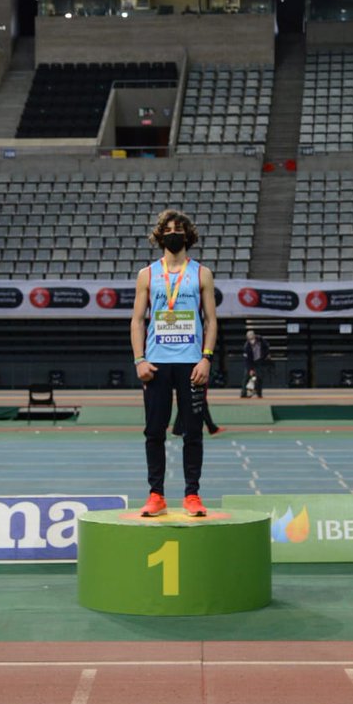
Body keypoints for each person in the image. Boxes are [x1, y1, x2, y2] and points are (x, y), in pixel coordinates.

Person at [130, 209, 218, 517]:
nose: (173, 233)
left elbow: (211, 321)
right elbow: (137, 321)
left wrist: (206, 359)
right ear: (159, 235)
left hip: (191, 363)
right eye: (167, 229)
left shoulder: (202, 273)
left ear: (188, 235)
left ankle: (192, 495)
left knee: (193, 431)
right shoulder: (148, 275)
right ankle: (156, 495)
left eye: (178, 229)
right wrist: (139, 359)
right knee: (154, 430)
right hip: (156, 364)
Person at [241, 330, 272, 398]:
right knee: (246, 377)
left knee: (259, 377)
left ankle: (259, 393)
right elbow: (247, 360)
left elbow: (266, 346)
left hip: (259, 360)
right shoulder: (246, 347)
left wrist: (267, 354)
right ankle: (243, 393)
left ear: (255, 336)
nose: (252, 341)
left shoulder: (261, 340)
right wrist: (251, 369)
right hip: (250, 362)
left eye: (252, 338)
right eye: (250, 339)